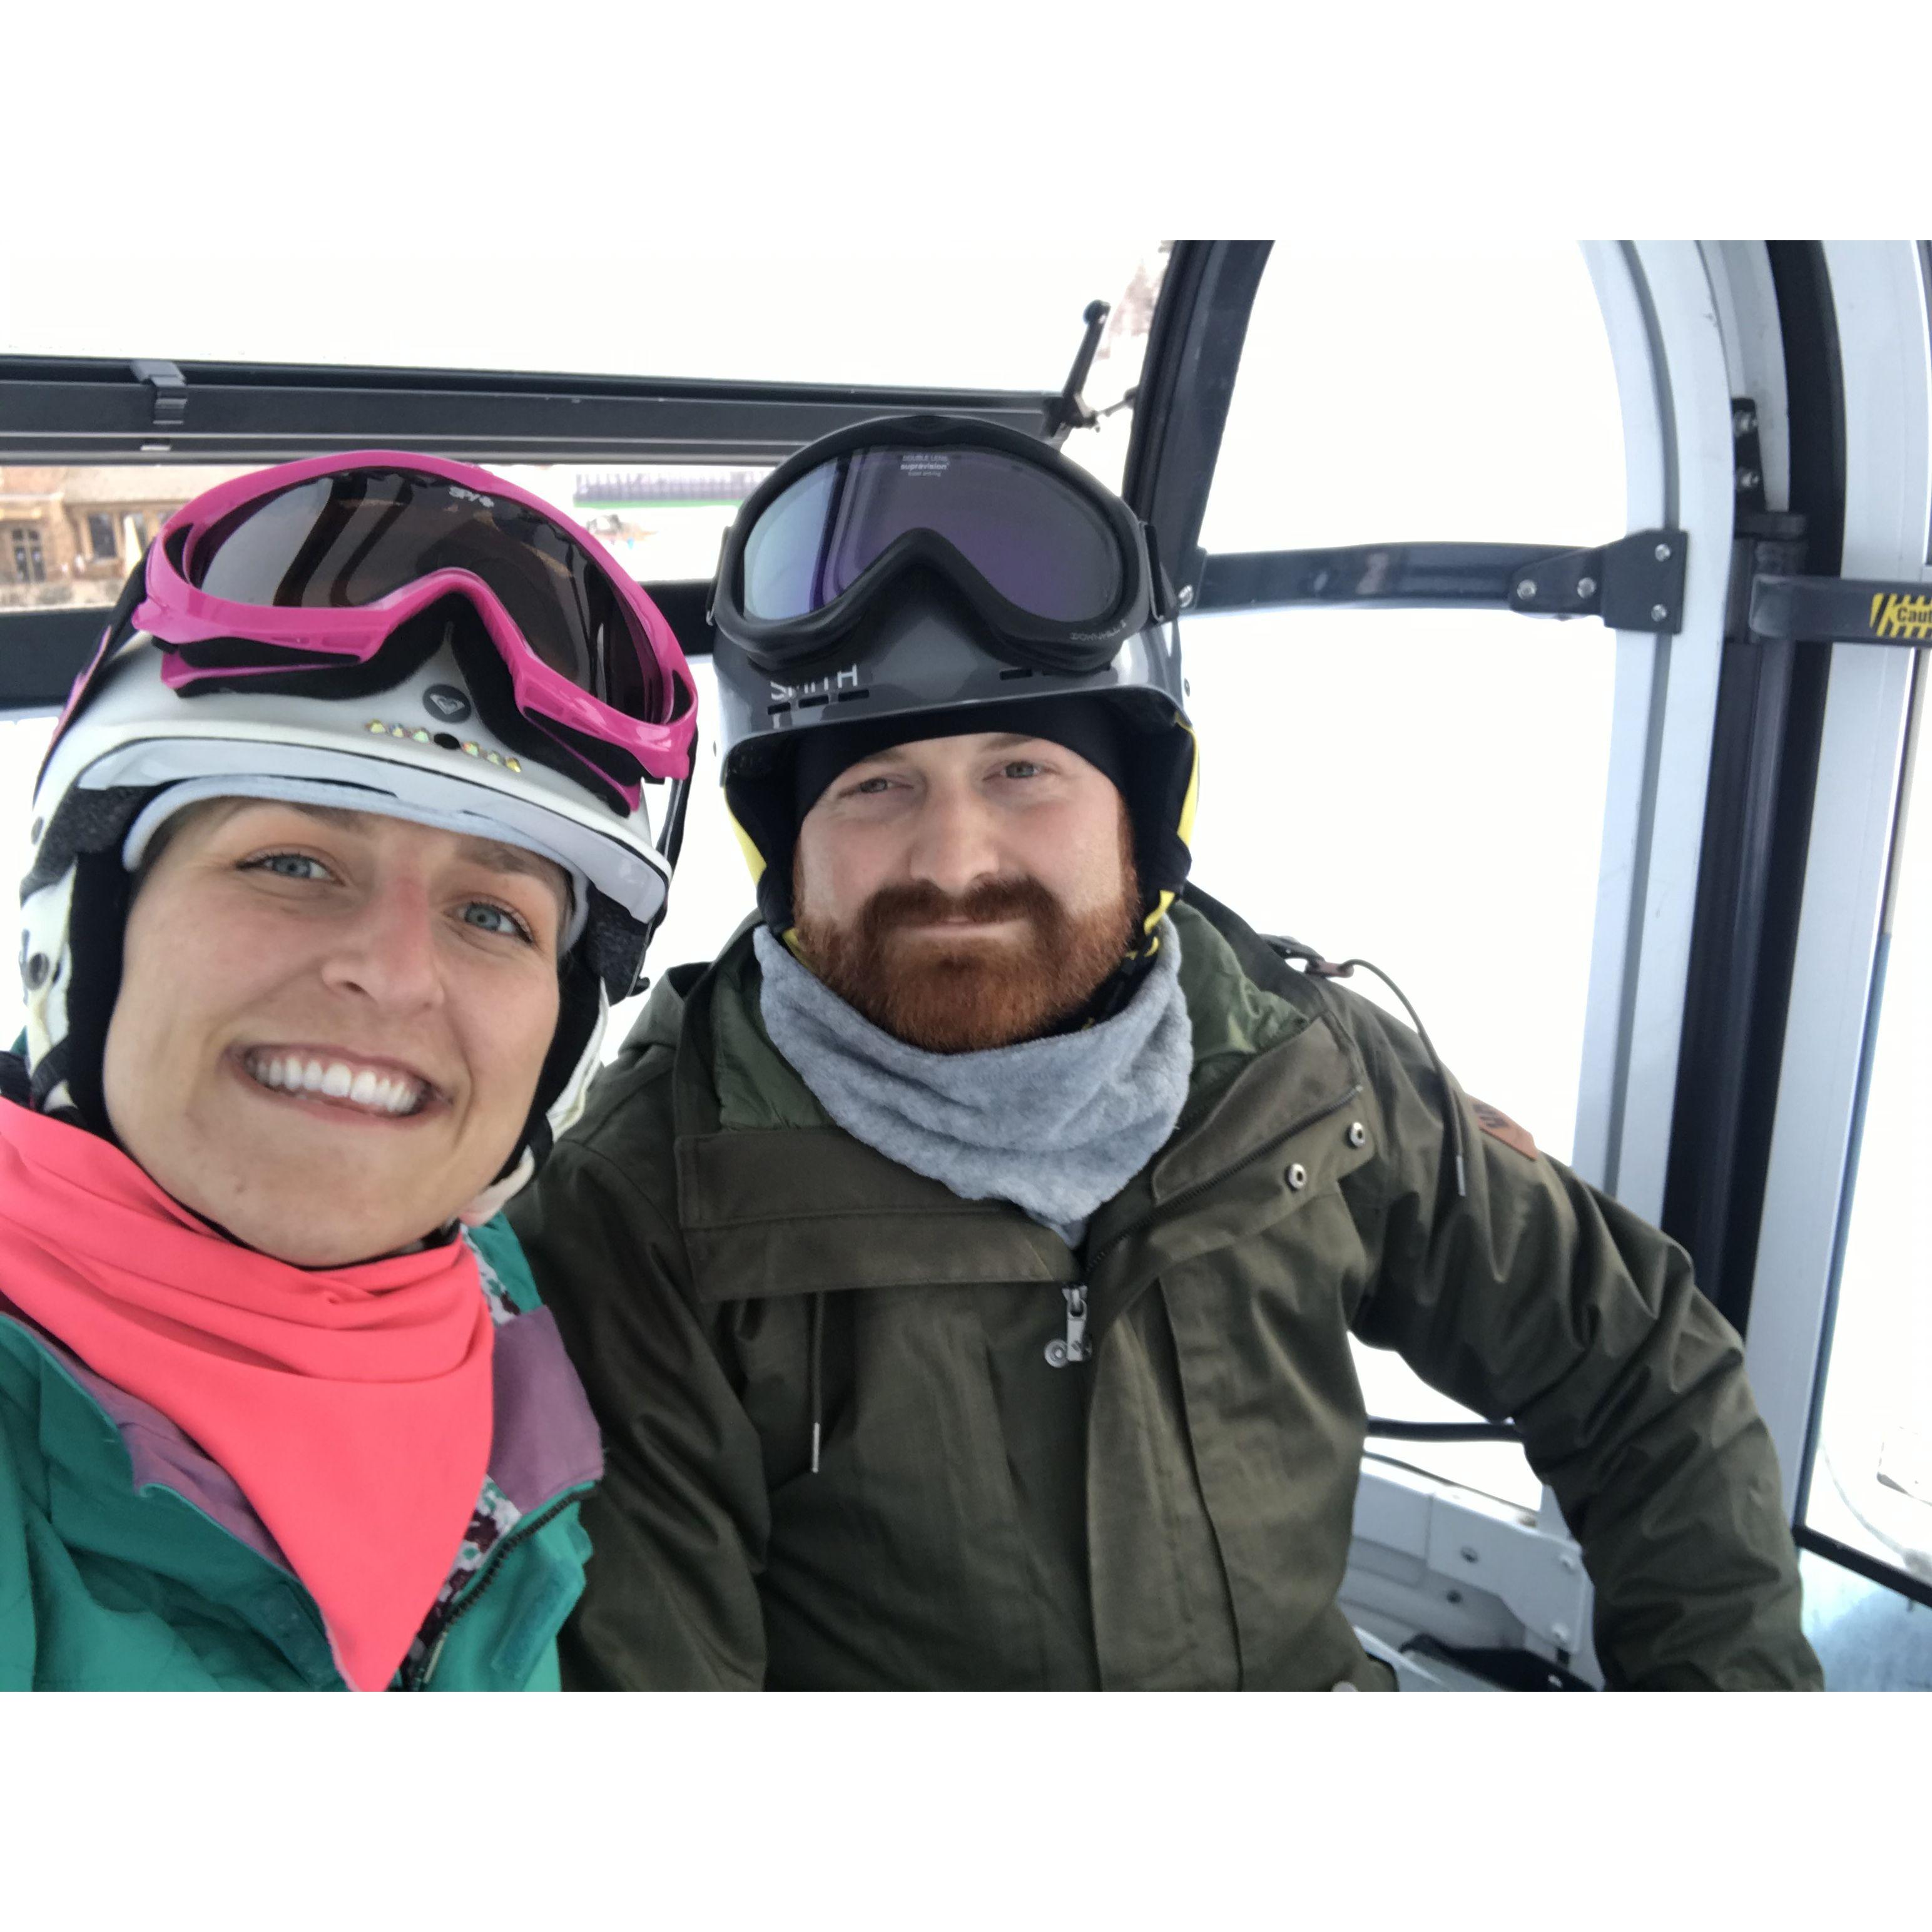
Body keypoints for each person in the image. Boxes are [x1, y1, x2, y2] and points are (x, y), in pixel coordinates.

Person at [511, 414, 1823, 1690]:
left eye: (1023, 769)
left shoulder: (1291, 1066)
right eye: (873, 786)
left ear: (1139, 818)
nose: (954, 857)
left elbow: (1635, 1363)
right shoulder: (650, 1210)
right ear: (780, 847)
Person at [1, 452, 696, 1690]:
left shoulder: (509, 1348)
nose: (391, 971)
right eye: (292, 863)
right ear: (86, 932)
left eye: (494, 915)